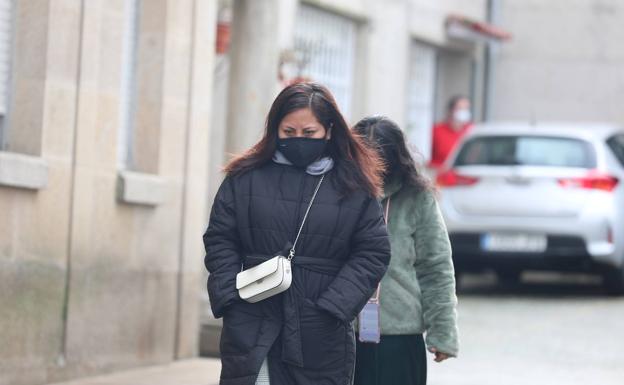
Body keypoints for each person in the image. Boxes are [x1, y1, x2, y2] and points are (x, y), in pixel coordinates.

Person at [203, 82, 391, 385]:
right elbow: (220, 237)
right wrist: (230, 296)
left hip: (320, 326)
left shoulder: (353, 185)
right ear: (275, 129)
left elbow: (373, 251)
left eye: (309, 133)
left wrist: (335, 306)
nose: (298, 140)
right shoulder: (245, 178)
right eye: (288, 132)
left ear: (328, 131)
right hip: (253, 315)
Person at [353, 116, 459, 385]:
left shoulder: (417, 197)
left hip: (401, 337)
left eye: (380, 160)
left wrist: (442, 332)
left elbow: (436, 266)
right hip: (342, 334)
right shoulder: (337, 193)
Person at [429, 95, 473, 169]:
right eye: (460, 108)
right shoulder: (436, 131)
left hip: (466, 177)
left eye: (466, 108)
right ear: (451, 110)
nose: (463, 112)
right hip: (441, 178)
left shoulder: (471, 131)